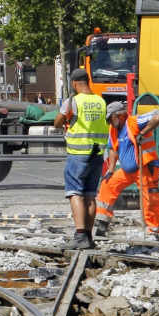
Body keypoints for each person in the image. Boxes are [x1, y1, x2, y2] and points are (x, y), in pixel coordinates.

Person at [54, 68, 109, 249]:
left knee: (75, 193)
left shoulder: (73, 101)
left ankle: (79, 236)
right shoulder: (101, 101)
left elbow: (58, 121)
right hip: (97, 154)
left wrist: (65, 122)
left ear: (75, 84)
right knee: (90, 196)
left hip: (78, 155)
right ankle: (88, 237)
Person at [94, 100, 159, 240]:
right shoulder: (114, 129)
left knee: (149, 198)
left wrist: (143, 133)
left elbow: (157, 117)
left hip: (145, 167)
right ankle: (102, 222)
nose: (109, 122)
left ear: (118, 116)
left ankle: (154, 230)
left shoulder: (134, 122)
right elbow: (113, 148)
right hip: (128, 171)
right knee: (107, 185)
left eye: (110, 119)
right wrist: (111, 169)